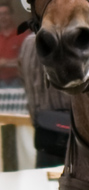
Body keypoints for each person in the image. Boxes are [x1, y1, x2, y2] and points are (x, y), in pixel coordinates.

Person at [18, 32, 72, 167]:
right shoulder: (63, 41)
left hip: (42, 123)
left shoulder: (28, 42)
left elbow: (23, 78)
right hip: (66, 124)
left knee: (45, 176)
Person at [0, 2, 25, 88]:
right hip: (1, 82)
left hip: (18, 81)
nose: (3, 17)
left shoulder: (22, 35)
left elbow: (27, 60)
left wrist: (6, 62)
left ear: (11, 15)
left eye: (5, 14)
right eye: (0, 15)